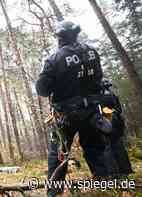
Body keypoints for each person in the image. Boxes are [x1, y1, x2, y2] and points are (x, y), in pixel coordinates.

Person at [36, 21, 132, 196]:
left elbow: (42, 90)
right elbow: (99, 77)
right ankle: (106, 186)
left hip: (66, 115)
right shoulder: (91, 52)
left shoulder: (54, 59)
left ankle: (53, 192)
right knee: (95, 148)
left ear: (59, 37)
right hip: (92, 112)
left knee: (59, 152)